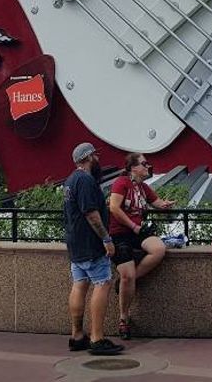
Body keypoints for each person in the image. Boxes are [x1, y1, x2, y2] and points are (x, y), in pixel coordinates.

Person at [63, 142, 123, 357]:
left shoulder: (70, 181)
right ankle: (97, 338)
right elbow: (91, 213)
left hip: (75, 242)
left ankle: (77, 336)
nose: (98, 159)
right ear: (88, 157)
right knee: (103, 283)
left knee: (79, 284)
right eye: (95, 156)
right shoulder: (86, 180)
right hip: (91, 243)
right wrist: (106, 239)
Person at [108, 152, 175, 340]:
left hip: (137, 232)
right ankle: (124, 318)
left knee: (158, 249)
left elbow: (156, 202)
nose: (148, 167)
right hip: (120, 234)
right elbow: (114, 207)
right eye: (144, 164)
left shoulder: (143, 187)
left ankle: (126, 281)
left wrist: (165, 204)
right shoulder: (121, 183)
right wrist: (133, 226)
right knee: (127, 275)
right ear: (133, 168)